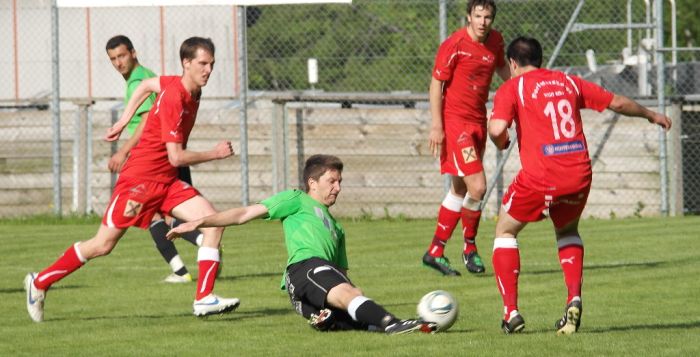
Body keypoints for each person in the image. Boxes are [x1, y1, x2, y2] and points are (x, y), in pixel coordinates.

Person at [24, 37, 240, 323]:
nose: (209, 69)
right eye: (203, 63)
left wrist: (125, 119)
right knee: (102, 245)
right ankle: (39, 282)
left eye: (212, 64)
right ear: (186, 63)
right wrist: (214, 153)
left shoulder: (186, 87)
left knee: (214, 222)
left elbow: (147, 85)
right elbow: (176, 157)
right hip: (140, 181)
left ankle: (203, 299)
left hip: (167, 182)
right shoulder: (176, 96)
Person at [487, 36, 672, 334]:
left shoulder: (513, 87)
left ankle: (511, 313)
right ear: (540, 58)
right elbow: (618, 102)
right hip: (578, 174)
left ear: (512, 63)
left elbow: (496, 128)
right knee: (568, 231)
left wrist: (501, 139)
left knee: (505, 231)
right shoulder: (569, 82)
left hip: (542, 176)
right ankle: (573, 298)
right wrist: (652, 115)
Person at [167, 154, 438, 334]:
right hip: (304, 269)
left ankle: (356, 321)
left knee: (351, 312)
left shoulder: (337, 227)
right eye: (332, 181)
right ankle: (393, 323)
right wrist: (197, 222)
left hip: (315, 280)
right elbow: (244, 214)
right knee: (348, 296)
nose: (338, 188)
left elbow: (343, 274)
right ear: (312, 182)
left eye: (340, 182)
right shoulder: (296, 199)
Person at [106, 35, 203, 284]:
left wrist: (124, 149)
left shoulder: (138, 78)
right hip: (160, 156)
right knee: (156, 215)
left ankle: (204, 242)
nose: (118, 63)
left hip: (156, 160)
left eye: (122, 56)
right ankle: (183, 268)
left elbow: (151, 116)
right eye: (113, 59)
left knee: (162, 215)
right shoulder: (143, 77)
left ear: (133, 53)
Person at [423, 0, 511, 276]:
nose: (483, 22)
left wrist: (518, 92)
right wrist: (437, 125)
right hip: (456, 124)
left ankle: (435, 251)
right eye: (478, 16)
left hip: (477, 123)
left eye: (488, 17)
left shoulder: (495, 41)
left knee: (459, 190)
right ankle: (469, 248)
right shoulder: (455, 44)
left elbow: (502, 70)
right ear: (469, 17)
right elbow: (437, 83)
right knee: (478, 187)